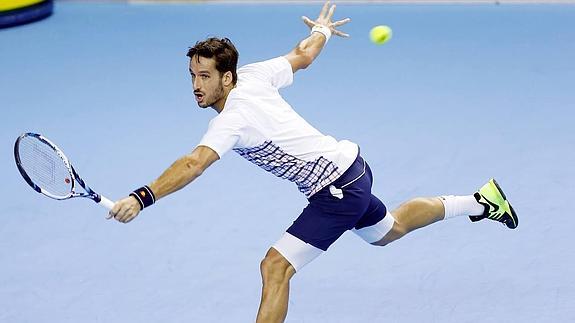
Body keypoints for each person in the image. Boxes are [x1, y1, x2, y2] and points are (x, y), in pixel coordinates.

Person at [108, 2, 518, 322]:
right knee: (388, 231)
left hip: (335, 190)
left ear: (227, 78)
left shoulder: (232, 120)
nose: (196, 86)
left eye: (205, 77)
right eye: (192, 75)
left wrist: (142, 197)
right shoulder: (254, 74)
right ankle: (481, 202)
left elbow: (194, 164)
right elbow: (302, 55)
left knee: (275, 267)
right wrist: (322, 31)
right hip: (352, 170)